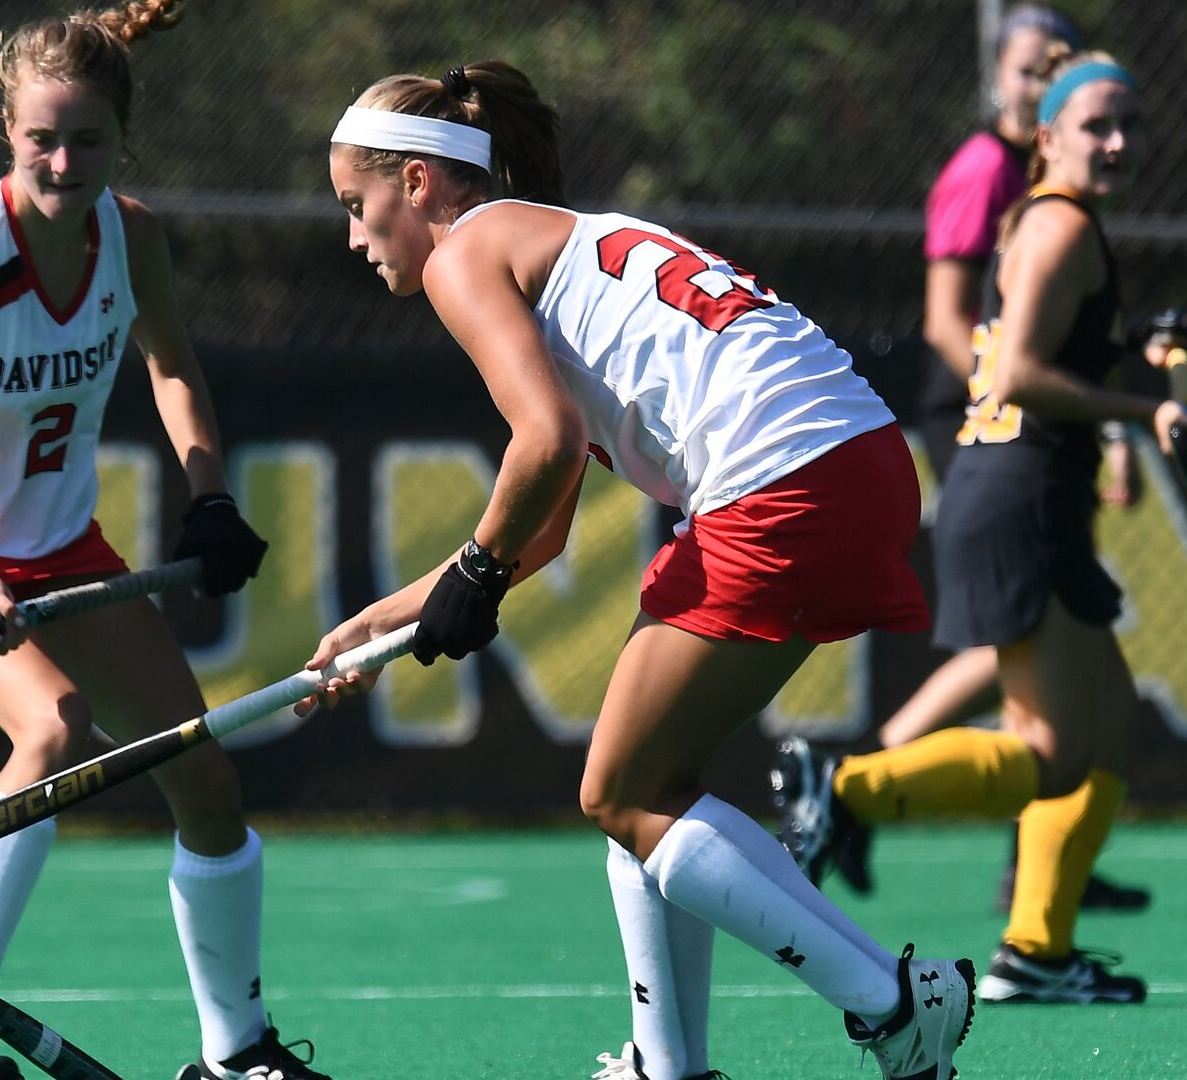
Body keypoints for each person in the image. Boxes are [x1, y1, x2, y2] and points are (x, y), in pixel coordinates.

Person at [301, 61, 972, 1080]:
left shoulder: (464, 253)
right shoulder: (550, 235)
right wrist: (384, 625)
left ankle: (892, 1002)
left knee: (618, 789)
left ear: (419, 184)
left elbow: (546, 443)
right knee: (647, 782)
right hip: (858, 458)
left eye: (358, 205)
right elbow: (547, 527)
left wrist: (474, 573)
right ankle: (670, 1064)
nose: (355, 238)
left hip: (780, 478)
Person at [0, 5, 323, 1079]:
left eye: (88, 141)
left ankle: (238, 1053)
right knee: (51, 727)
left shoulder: (130, 236)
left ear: (122, 140)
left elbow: (173, 362)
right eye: (41, 141)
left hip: (58, 547)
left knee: (205, 785)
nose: (63, 162)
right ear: (6, 133)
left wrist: (209, 500)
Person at [775, 47, 1168, 1006]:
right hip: (1023, 495)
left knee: (1105, 729)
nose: (1116, 143)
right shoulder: (1064, 225)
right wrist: (1142, 408)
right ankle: (848, 789)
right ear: (1047, 138)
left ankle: (1038, 950)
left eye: (1129, 127)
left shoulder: (1048, 222)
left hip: (1018, 492)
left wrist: (1130, 365)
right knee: (1052, 753)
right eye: (1095, 127)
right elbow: (1019, 374)